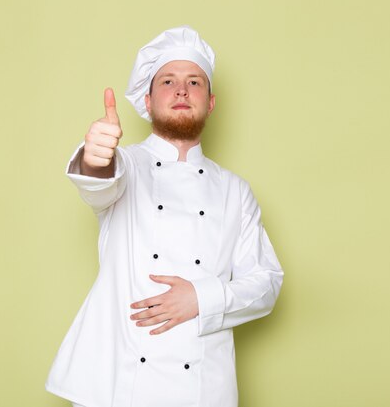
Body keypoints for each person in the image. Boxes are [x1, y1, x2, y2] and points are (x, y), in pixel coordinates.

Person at [46, 25, 283, 407]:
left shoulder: (235, 191)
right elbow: (99, 182)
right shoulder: (125, 164)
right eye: (168, 80)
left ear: (210, 102)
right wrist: (94, 158)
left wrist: (202, 299)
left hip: (203, 388)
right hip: (121, 386)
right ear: (148, 99)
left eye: (194, 81)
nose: (181, 90)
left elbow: (267, 283)